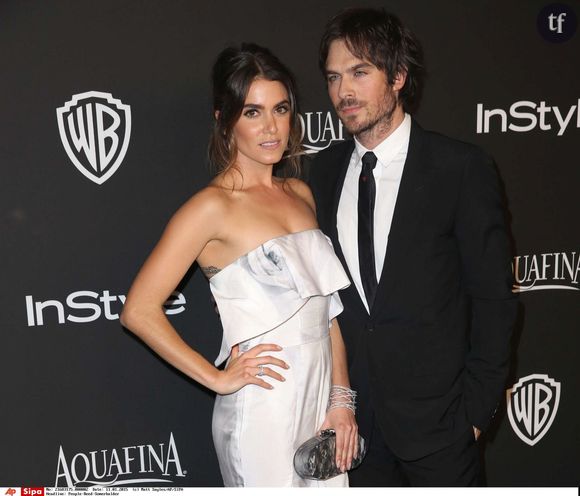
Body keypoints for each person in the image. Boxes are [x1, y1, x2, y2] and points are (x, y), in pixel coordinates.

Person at [120, 43, 359, 487]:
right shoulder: (211, 208)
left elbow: (328, 314)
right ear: (224, 119)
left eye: (280, 109)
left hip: (320, 403)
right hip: (261, 408)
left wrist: (341, 400)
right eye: (252, 112)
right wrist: (217, 378)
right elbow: (138, 310)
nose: (271, 127)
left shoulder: (300, 196)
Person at [308, 8, 518, 487]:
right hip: (355, 436)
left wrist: (476, 412)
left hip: (443, 431)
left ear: (399, 76)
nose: (344, 92)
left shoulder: (459, 169)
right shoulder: (320, 173)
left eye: (361, 72)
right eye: (334, 77)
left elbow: (494, 300)